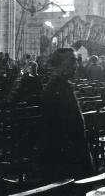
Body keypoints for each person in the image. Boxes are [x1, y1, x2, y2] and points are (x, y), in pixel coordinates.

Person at [40, 48, 94, 181]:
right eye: (72, 61)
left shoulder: (65, 86)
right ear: (60, 64)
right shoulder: (54, 89)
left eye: (77, 61)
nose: (76, 66)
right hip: (64, 159)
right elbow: (56, 130)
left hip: (74, 154)